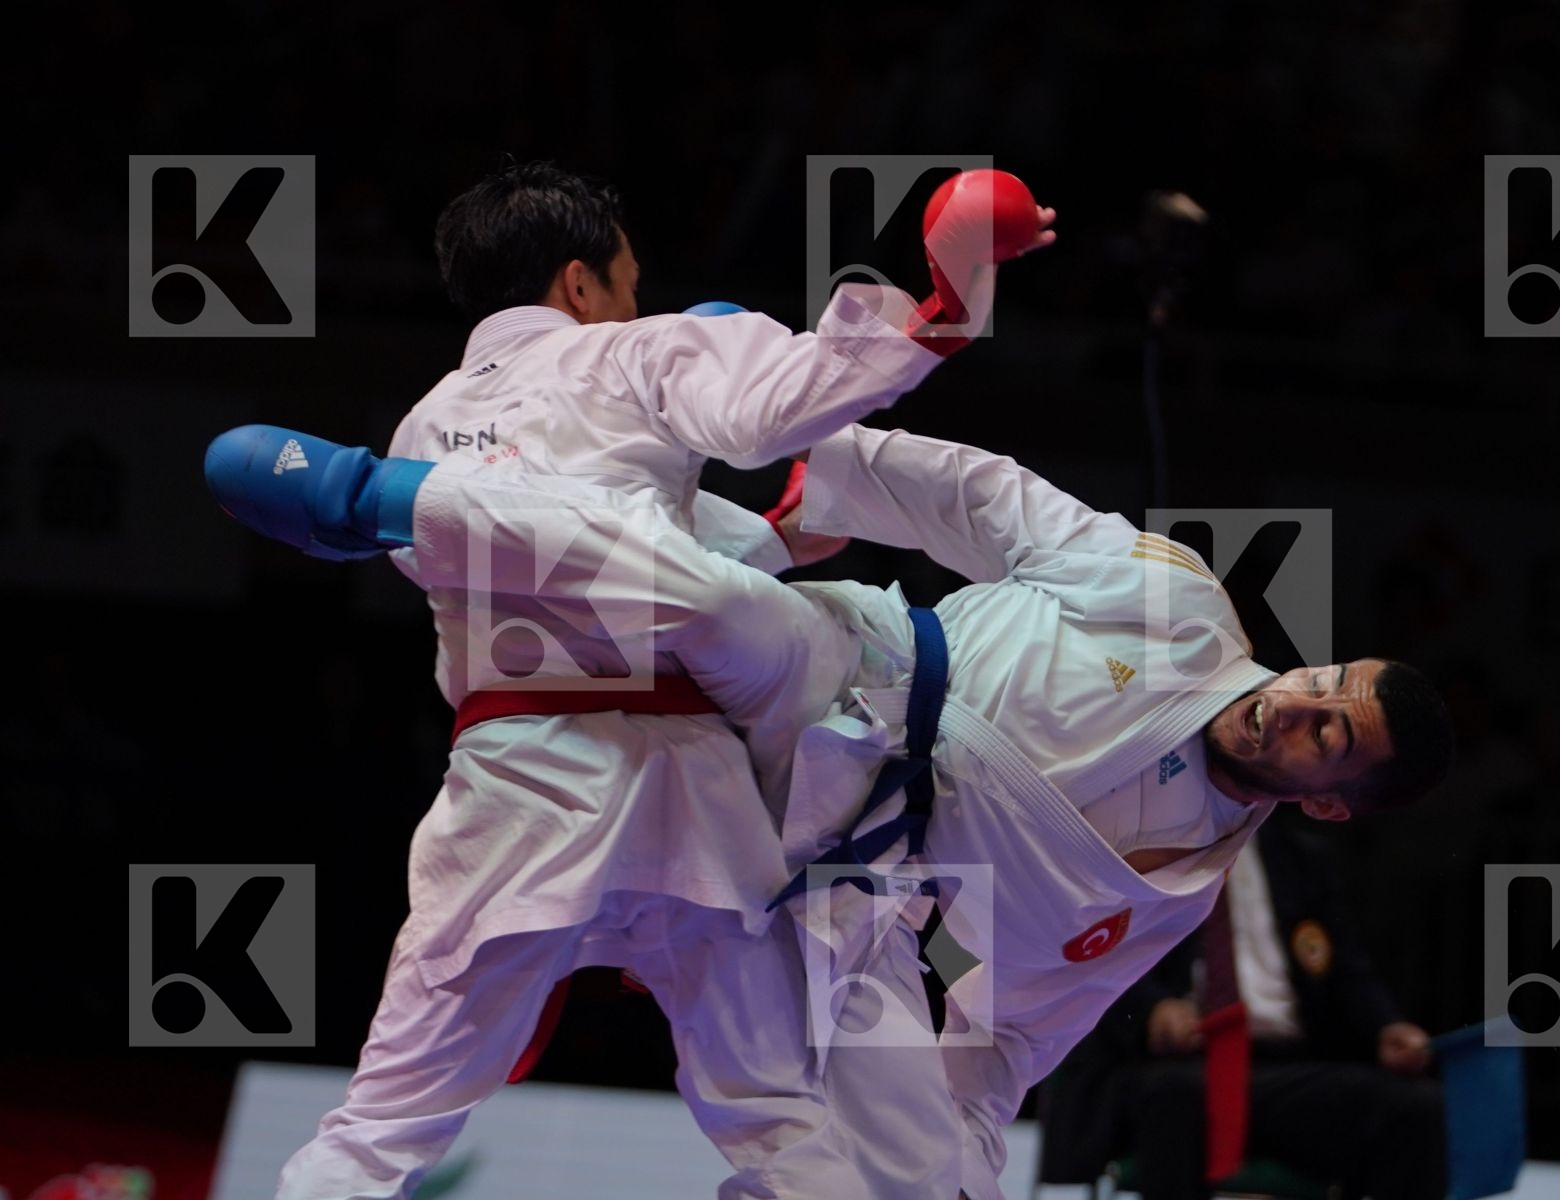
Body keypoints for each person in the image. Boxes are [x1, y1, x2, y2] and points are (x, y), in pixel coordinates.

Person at [206, 416, 1454, 1200]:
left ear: (1332, 805)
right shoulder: (1182, 610)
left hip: (842, 876)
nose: (1297, 703)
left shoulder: (1173, 888)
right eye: (1322, 680)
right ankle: (387, 503)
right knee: (710, 593)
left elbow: (1014, 1030)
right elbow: (992, 504)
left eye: (1328, 732)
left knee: (899, 1184)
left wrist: (957, 1139)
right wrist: (833, 482)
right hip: (856, 677)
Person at [213, 158, 1055, 1200]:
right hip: (685, 790)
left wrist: (770, 539)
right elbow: (779, 410)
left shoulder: (420, 432)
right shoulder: (635, 353)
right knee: (779, 1124)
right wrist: (940, 291)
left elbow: (594, 539)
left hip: (514, 790)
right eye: (625, 282)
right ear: (579, 285)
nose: (633, 302)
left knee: (382, 1127)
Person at [1038, 807, 1447, 1199]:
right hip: (1177, 1064)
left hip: (1281, 1072)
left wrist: (1386, 1027)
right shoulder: (1136, 841)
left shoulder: (1300, 857)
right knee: (1180, 1095)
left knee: (1414, 1106)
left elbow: (1347, 971)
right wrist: (1151, 1011)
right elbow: (1087, 953)